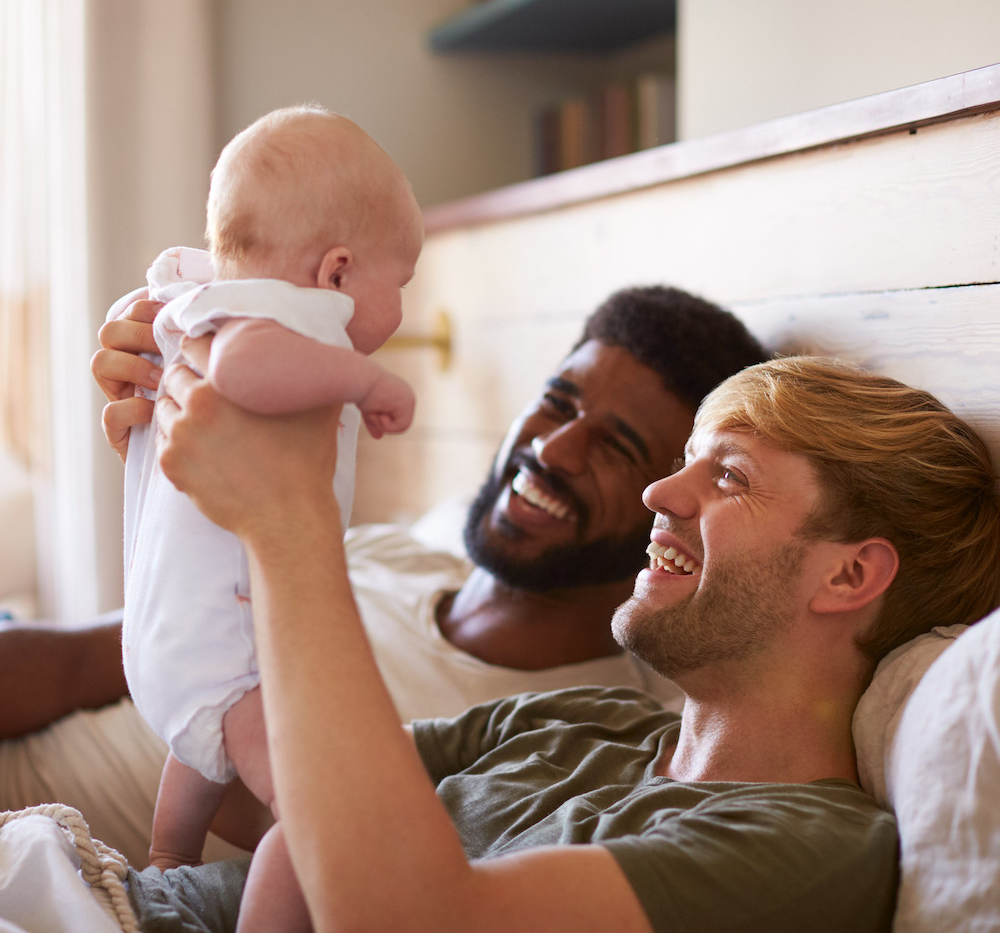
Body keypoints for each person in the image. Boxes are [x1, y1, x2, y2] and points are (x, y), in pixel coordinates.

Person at [124, 353, 1000, 932]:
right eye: (686, 459)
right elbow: (285, 802)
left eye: (727, 475)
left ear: (848, 577)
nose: (661, 491)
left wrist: (290, 526)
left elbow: (412, 919)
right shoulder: (591, 722)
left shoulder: (808, 850)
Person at [0, 285, 768, 866]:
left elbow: (311, 857)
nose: (555, 450)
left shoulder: (579, 728)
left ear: (670, 505)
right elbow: (80, 660)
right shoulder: (387, 555)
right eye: (556, 402)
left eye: (617, 447)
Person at [121, 105, 423, 931]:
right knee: (315, 818)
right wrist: (364, 383)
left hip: (183, 645)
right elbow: (250, 366)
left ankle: (165, 865)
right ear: (335, 274)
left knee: (209, 743)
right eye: (400, 284)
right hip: (219, 640)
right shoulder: (283, 320)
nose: (401, 313)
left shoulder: (207, 297)